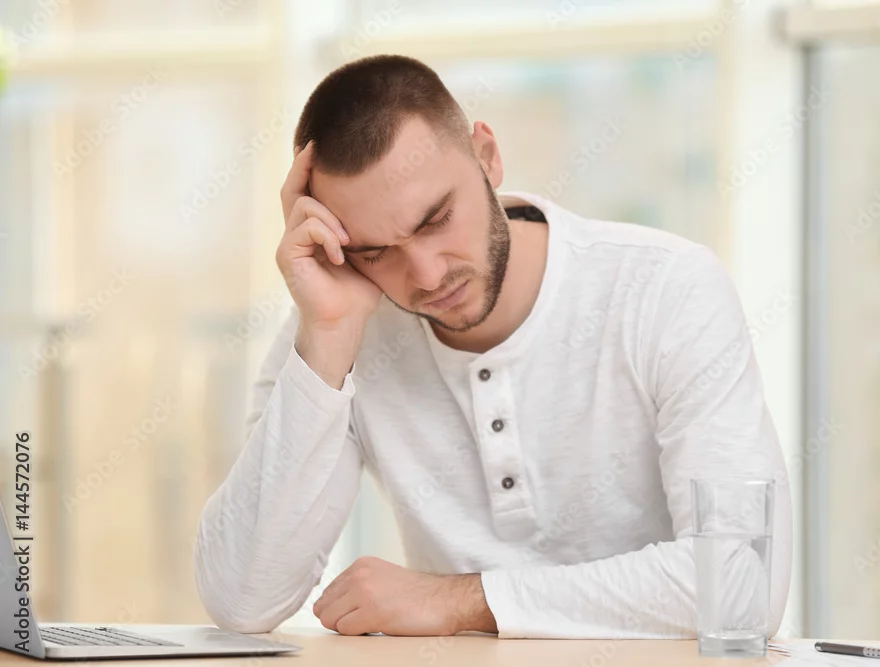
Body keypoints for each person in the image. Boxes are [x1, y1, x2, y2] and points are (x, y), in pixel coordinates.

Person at [193, 54, 791, 639]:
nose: (427, 275)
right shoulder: (340, 323)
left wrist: (459, 601)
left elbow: (742, 585)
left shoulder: (667, 288)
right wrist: (327, 333)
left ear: (487, 155)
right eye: (375, 252)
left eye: (435, 220)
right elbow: (243, 601)